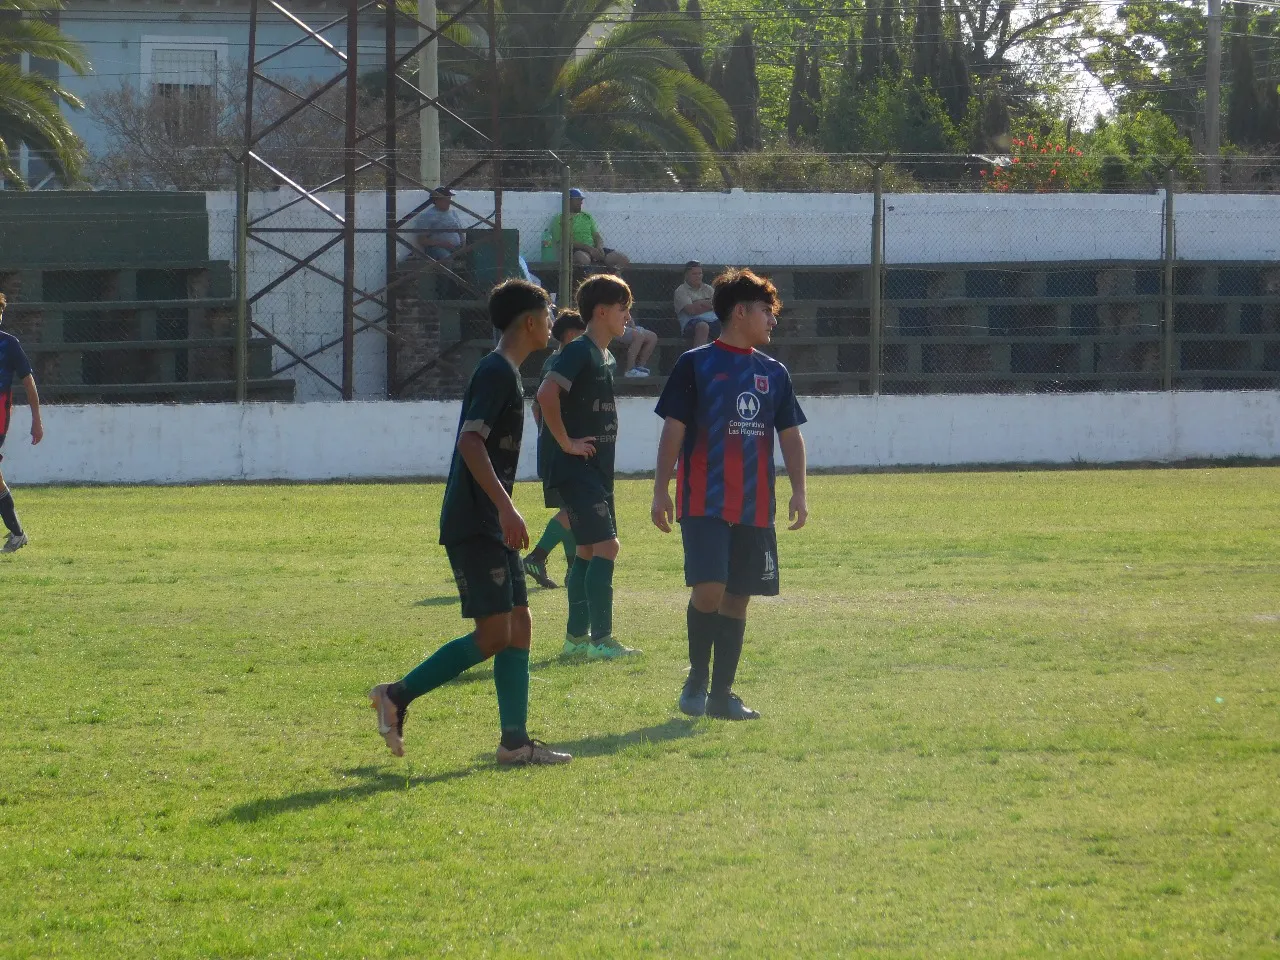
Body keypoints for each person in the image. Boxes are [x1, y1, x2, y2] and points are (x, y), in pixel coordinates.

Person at [370, 278, 571, 766]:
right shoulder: (496, 373)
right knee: (495, 634)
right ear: (529, 321)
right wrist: (505, 506)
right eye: (547, 313)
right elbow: (470, 442)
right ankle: (396, 694)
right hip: (475, 520)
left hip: (491, 520)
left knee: (520, 625)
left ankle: (514, 743)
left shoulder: (508, 372)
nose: (551, 321)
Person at [651, 268, 809, 721]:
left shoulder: (774, 372)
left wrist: (799, 491)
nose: (772, 321)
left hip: (756, 503)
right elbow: (674, 430)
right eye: (766, 311)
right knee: (709, 589)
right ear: (740, 312)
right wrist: (661, 490)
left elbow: (790, 436)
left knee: (737, 596)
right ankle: (696, 679)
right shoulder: (695, 363)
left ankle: (723, 694)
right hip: (703, 499)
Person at [535, 274, 639, 660]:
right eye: (623, 308)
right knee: (608, 546)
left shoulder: (604, 356)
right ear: (601, 311)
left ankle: (575, 641)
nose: (628, 316)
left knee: (587, 551)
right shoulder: (579, 350)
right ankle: (601, 639)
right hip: (576, 469)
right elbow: (546, 395)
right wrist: (566, 443)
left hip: (595, 470)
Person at [523, 308, 587, 589]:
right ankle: (537, 556)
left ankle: (573, 569)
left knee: (569, 509)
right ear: (572, 334)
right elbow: (544, 402)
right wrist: (560, 439)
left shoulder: (553, 361)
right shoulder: (563, 361)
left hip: (554, 445)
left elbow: (537, 408)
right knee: (575, 507)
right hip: (562, 447)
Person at [0, 292, 43, 554]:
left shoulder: (9, 344)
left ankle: (17, 534)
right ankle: (17, 534)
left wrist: (36, 420)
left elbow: (29, 382)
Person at [543, 188, 630, 274]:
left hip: (594, 249)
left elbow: (596, 235)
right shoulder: (560, 218)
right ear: (568, 201)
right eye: (578, 200)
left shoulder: (586, 216)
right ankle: (589, 279)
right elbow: (564, 241)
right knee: (582, 259)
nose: (581, 203)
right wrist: (588, 248)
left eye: (581, 200)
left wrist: (599, 248)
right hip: (578, 250)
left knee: (623, 259)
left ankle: (613, 277)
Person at [412, 186, 465, 261]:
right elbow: (421, 239)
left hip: (456, 247)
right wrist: (441, 243)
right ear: (437, 200)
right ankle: (445, 272)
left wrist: (463, 244)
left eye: (449, 198)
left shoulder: (452, 213)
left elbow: (460, 231)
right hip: (437, 248)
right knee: (447, 258)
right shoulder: (428, 216)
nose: (449, 201)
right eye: (446, 199)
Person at [674, 260, 719, 347]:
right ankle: (698, 358)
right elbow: (691, 310)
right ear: (686, 275)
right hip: (691, 323)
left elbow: (718, 306)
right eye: (694, 274)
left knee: (730, 324)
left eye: (700, 273)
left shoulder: (708, 289)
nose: (698, 276)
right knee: (703, 326)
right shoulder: (681, 291)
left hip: (713, 321)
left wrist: (699, 303)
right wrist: (709, 305)